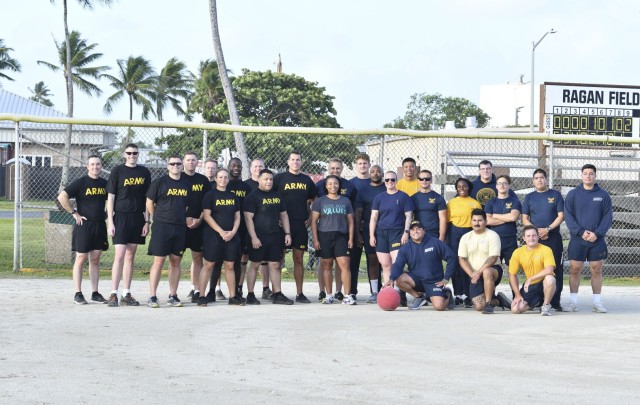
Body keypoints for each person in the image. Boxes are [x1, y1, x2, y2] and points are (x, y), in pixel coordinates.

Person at [57, 155, 109, 305]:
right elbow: (62, 197)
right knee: (81, 258)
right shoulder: (81, 183)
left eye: (98, 164)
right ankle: (78, 293)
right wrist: (74, 213)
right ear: (87, 166)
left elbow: (111, 200)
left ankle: (95, 293)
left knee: (95, 259)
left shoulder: (105, 184)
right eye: (92, 164)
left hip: (99, 225)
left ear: (101, 166)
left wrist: (107, 214)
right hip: (84, 225)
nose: (95, 167)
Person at [106, 143, 151, 307]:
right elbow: (110, 197)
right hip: (121, 217)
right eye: (129, 153)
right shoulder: (117, 171)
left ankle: (126, 293)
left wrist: (147, 221)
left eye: (135, 153)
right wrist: (110, 221)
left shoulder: (144, 172)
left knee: (130, 256)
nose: (132, 156)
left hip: (137, 218)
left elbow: (148, 199)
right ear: (124, 154)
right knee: (119, 256)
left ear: (138, 154)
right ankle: (113, 293)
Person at [564, 164, 612, 313]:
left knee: (596, 269)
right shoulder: (573, 194)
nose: (588, 176)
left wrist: (596, 234)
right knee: (575, 269)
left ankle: (597, 303)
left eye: (591, 174)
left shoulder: (603, 195)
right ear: (581, 176)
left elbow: (608, 218)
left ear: (595, 176)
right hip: (578, 239)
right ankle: (573, 302)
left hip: (596, 239)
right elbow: (568, 216)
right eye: (585, 173)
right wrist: (580, 232)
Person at [145, 156, 191, 308]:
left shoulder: (185, 184)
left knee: (176, 261)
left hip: (179, 227)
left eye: (178, 164)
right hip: (162, 226)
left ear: (182, 165)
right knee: (159, 261)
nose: (176, 166)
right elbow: (149, 203)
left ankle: (173, 295)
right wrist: (158, 217)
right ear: (168, 166)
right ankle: (152, 296)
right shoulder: (159, 182)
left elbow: (186, 206)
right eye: (173, 164)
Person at [244, 169, 294, 305]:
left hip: (274, 236)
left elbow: (283, 215)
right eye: (266, 179)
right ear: (259, 180)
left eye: (271, 179)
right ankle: (250, 294)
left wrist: (287, 233)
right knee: (255, 265)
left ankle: (277, 294)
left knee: (275, 264)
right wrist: (254, 237)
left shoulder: (277, 196)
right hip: (258, 237)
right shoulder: (252, 196)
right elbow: (248, 219)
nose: (269, 182)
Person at [273, 151, 317, 303]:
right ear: (288, 161)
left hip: (299, 223)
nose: (295, 162)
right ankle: (276, 292)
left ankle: (299, 293)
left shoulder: (307, 180)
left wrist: (311, 216)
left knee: (298, 259)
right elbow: (270, 198)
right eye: (292, 159)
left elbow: (314, 199)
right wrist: (275, 216)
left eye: (298, 160)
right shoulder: (279, 178)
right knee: (278, 259)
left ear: (301, 162)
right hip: (281, 224)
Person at [384, 220, 456, 311]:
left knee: (439, 307)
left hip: (433, 281)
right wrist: (391, 279)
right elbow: (398, 264)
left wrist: (446, 278)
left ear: (424, 230)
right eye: (413, 230)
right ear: (409, 233)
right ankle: (418, 297)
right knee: (398, 279)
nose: (415, 231)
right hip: (416, 280)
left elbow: (452, 258)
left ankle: (447, 294)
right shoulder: (405, 248)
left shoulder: (435, 242)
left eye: (418, 229)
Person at [198, 169, 243, 306]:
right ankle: (201, 296)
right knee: (209, 264)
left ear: (228, 180)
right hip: (213, 235)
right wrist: (221, 232)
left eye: (225, 177)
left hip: (230, 236)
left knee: (229, 265)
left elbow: (237, 216)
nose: (223, 179)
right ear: (216, 179)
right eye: (220, 177)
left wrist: (233, 232)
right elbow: (207, 215)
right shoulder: (210, 195)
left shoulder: (233, 196)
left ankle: (232, 297)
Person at [521, 168, 565, 311]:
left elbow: (560, 216)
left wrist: (548, 229)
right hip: (535, 239)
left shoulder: (555, 195)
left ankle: (555, 302)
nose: (539, 180)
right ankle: (538, 300)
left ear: (546, 179)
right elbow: (524, 218)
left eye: (542, 177)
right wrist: (536, 232)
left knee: (555, 269)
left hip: (552, 237)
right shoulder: (529, 197)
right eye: (536, 178)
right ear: (533, 181)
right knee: (537, 268)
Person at [315, 158, 356, 300]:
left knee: (344, 264)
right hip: (324, 234)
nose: (333, 186)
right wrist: (315, 239)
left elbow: (351, 220)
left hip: (341, 235)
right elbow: (314, 220)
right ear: (326, 185)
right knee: (326, 264)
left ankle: (346, 295)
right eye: (330, 184)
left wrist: (350, 238)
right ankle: (327, 294)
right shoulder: (320, 197)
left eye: (338, 168)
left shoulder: (346, 198)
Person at [369, 170, 414, 300]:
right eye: (387, 180)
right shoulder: (379, 197)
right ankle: (389, 294)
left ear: (396, 181)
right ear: (384, 181)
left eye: (392, 180)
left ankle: (400, 293)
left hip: (397, 233)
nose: (390, 182)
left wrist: (406, 232)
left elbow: (409, 216)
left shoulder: (403, 197)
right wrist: (372, 235)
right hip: (381, 233)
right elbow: (374, 217)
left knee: (396, 264)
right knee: (385, 265)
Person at [458, 209, 510, 314]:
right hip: (474, 274)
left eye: (480, 220)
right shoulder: (465, 237)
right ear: (471, 221)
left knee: (486, 271)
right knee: (478, 306)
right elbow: (462, 259)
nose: (477, 223)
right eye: (474, 220)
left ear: (486, 221)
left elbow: (493, 257)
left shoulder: (493, 235)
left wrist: (479, 272)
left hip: (493, 270)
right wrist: (472, 273)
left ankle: (489, 304)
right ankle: (498, 300)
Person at [446, 177, 482, 307]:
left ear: (469, 188)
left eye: (464, 186)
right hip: (454, 232)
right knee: (455, 263)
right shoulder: (451, 203)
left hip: (469, 233)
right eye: (459, 186)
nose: (462, 189)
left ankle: (468, 295)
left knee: (467, 264)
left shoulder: (475, 203)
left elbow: (478, 222)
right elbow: (447, 221)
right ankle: (458, 294)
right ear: (456, 188)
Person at [182, 152, 212, 303]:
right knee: (175, 258)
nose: (191, 162)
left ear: (197, 162)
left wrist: (199, 219)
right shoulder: (178, 178)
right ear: (183, 162)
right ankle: (173, 293)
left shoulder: (203, 180)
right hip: (181, 225)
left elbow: (206, 204)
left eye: (193, 160)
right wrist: (184, 219)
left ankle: (197, 289)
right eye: (188, 160)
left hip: (198, 224)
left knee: (197, 257)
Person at [509, 225, 557, 316]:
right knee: (516, 309)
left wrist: (530, 278)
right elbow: (512, 274)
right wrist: (517, 294)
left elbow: (549, 269)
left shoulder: (546, 250)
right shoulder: (518, 252)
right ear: (523, 238)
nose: (531, 238)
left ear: (538, 237)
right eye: (528, 236)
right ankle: (536, 303)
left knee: (550, 279)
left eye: (534, 235)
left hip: (545, 284)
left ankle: (546, 305)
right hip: (531, 286)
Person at [354, 164, 385, 303]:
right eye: (373, 171)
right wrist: (357, 233)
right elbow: (358, 214)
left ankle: (389, 290)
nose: (375, 173)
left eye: (378, 171)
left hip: (387, 230)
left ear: (382, 174)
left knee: (387, 262)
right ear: (369, 174)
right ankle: (374, 292)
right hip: (369, 230)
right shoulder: (363, 191)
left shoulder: (388, 188)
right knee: (372, 260)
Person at [225, 157, 253, 299]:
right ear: (228, 166)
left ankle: (237, 289)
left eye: (239, 166)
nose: (236, 168)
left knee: (239, 259)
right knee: (218, 261)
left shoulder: (245, 187)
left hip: (241, 228)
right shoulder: (224, 185)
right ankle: (213, 290)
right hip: (224, 227)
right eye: (233, 165)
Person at [245, 158, 272, 299]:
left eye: (260, 166)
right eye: (255, 166)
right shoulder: (246, 186)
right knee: (247, 260)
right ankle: (242, 289)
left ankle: (266, 288)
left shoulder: (269, 185)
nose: (257, 168)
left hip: (267, 230)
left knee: (266, 260)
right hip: (248, 228)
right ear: (250, 168)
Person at [347, 153, 373, 302]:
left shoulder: (375, 183)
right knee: (353, 261)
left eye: (365, 163)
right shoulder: (350, 184)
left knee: (373, 261)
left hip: (371, 228)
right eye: (360, 164)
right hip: (354, 228)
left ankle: (375, 291)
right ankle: (351, 291)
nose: (363, 166)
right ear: (355, 166)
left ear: (369, 165)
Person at [485, 175, 521, 269]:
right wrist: (506, 218)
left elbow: (513, 217)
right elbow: (488, 220)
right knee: (492, 268)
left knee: (513, 269)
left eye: (505, 183)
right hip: (494, 240)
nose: (502, 185)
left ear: (509, 186)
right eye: (500, 183)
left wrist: (495, 215)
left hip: (510, 240)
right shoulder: (491, 202)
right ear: (496, 186)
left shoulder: (515, 201)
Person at [411, 169, 447, 241]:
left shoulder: (438, 198)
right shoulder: (412, 198)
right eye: (421, 179)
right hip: (417, 233)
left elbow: (443, 218)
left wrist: (442, 237)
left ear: (431, 180)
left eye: (427, 179)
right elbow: (408, 217)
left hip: (433, 233)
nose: (424, 181)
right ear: (418, 180)